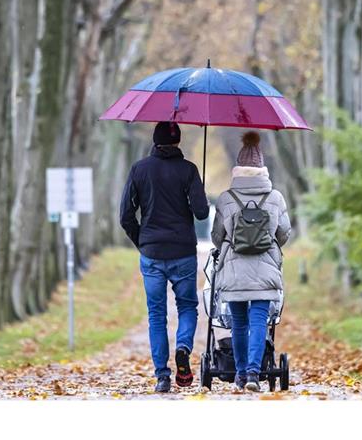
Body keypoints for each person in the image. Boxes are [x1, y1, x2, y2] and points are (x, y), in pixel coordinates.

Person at [120, 121, 209, 393]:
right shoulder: (189, 170)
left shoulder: (139, 169)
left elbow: (125, 216)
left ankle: (162, 375)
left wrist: (143, 242)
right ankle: (183, 346)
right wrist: (196, 190)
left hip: (152, 253)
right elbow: (202, 213)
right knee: (186, 307)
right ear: (178, 141)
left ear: (155, 141)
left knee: (156, 315)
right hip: (182, 251)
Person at [211, 131, 291, 392]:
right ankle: (255, 374)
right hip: (265, 268)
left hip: (234, 270)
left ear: (237, 170)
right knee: (259, 319)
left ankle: (241, 374)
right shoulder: (275, 198)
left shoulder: (226, 198)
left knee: (238, 322)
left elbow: (216, 236)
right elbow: (284, 234)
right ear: (262, 169)